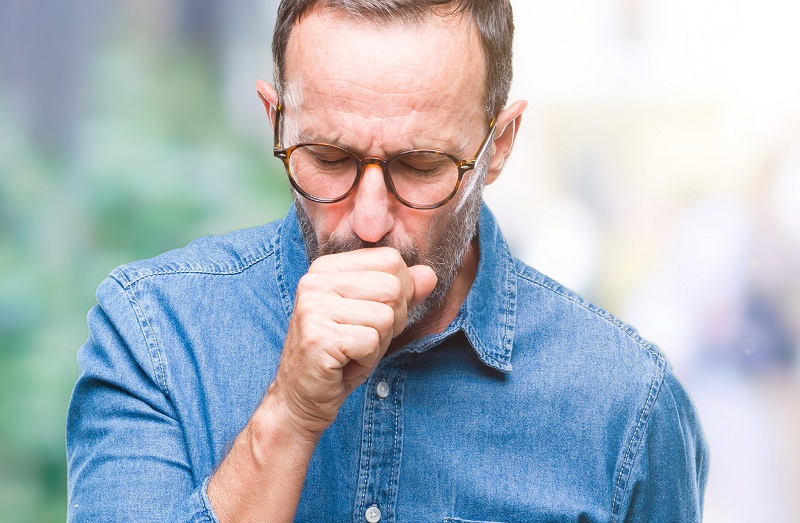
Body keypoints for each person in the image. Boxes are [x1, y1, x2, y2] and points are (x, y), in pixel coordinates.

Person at [66, 1, 709, 521]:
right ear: (276, 123)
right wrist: (288, 417)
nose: (369, 222)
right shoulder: (155, 335)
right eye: (329, 158)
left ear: (500, 145)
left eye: (420, 166)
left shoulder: (626, 403)